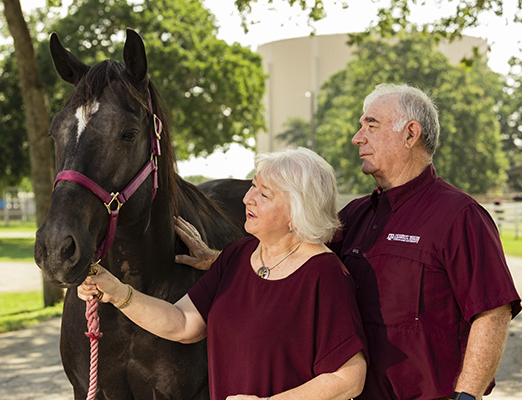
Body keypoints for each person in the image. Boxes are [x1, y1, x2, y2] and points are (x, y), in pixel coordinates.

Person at [176, 84, 521, 400]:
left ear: (410, 134)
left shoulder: (459, 216)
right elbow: (294, 259)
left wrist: (466, 396)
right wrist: (220, 261)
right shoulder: (355, 216)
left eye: (371, 126)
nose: (357, 138)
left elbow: (492, 311)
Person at [78, 147, 367, 400]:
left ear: (297, 212)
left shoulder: (324, 274)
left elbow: (349, 379)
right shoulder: (238, 256)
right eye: (253, 186)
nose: (247, 199)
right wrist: (117, 293)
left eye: (263, 194)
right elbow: (182, 324)